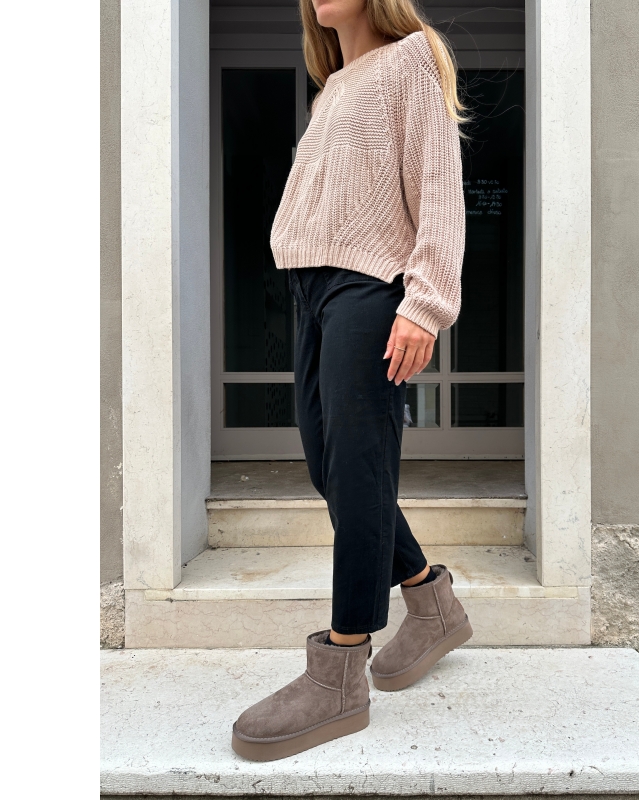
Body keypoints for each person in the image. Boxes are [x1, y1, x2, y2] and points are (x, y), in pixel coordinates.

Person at [231, 0, 469, 762]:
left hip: (370, 288)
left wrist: (425, 305)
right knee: (331, 468)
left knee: (359, 467)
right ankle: (429, 600)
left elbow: (439, 188)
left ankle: (340, 672)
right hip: (312, 288)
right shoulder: (333, 85)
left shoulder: (410, 59)